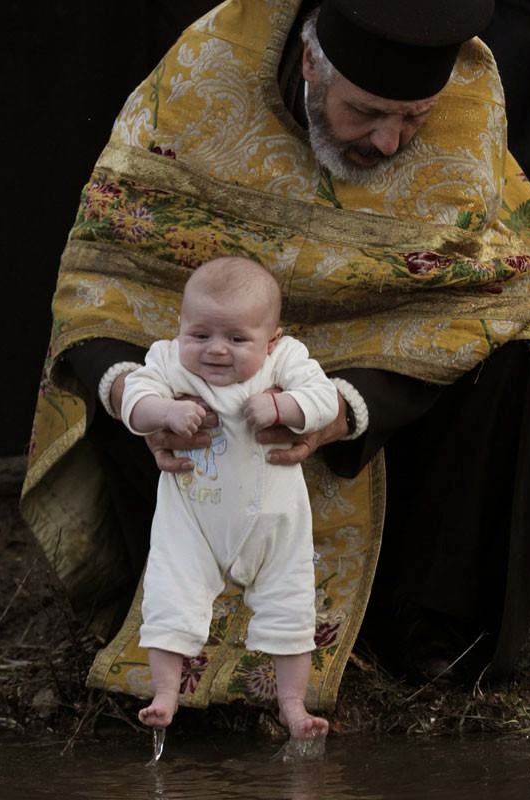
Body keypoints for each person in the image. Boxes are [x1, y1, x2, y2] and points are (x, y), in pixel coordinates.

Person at [21, 0, 530, 715]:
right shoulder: (207, 70)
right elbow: (105, 270)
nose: (389, 142)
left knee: (524, 337)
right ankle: (165, 612)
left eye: (413, 118)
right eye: (367, 111)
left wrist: (345, 410)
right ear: (313, 63)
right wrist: (139, 397)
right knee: (138, 360)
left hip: (387, 347)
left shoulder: (467, 99)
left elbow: (473, 289)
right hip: (209, 374)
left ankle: (430, 633)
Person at [121, 256, 337, 738]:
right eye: (200, 335)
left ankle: (293, 705)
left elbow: (324, 400)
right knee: (169, 597)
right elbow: (134, 399)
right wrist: (165, 412)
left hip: (275, 527)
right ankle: (165, 694)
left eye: (237, 339)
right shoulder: (167, 361)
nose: (216, 349)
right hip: (192, 522)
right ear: (180, 327)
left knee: (291, 609)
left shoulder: (286, 359)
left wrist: (283, 405)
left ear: (271, 340)